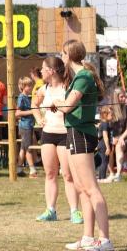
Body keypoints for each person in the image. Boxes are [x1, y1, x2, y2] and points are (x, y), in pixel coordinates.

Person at [52, 39, 113, 251]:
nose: (61, 56)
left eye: (62, 53)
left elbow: (68, 106)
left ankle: (105, 240)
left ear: (69, 55)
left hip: (82, 134)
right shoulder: (78, 77)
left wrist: (57, 103)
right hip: (73, 132)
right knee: (81, 188)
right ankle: (87, 237)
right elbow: (68, 106)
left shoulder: (84, 76)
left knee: (91, 188)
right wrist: (60, 104)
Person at [33, 57, 82, 224]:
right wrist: (38, 118)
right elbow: (34, 104)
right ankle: (50, 210)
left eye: (43, 68)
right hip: (48, 134)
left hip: (65, 134)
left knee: (68, 175)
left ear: (51, 71)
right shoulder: (43, 89)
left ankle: (75, 211)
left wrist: (59, 104)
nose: (41, 71)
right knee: (50, 174)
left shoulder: (67, 87)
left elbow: (73, 106)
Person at [14, 76, 38, 178]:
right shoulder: (21, 97)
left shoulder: (28, 97)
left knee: (23, 148)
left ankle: (19, 169)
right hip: (25, 126)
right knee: (28, 148)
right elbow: (17, 113)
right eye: (28, 86)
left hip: (29, 125)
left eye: (31, 85)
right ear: (23, 86)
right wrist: (32, 111)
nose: (30, 87)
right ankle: (32, 170)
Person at [107, 89, 127, 182]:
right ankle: (111, 173)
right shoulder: (110, 109)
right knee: (109, 147)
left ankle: (118, 174)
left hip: (126, 137)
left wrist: (120, 138)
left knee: (118, 146)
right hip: (112, 136)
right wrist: (113, 137)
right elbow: (107, 126)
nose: (124, 98)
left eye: (125, 96)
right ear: (116, 98)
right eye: (122, 97)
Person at [96, 107, 115, 181]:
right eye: (111, 114)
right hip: (104, 145)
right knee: (104, 162)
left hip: (102, 145)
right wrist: (108, 147)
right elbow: (105, 136)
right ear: (105, 114)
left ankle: (101, 177)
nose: (112, 116)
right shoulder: (105, 124)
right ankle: (102, 178)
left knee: (103, 161)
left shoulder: (103, 123)